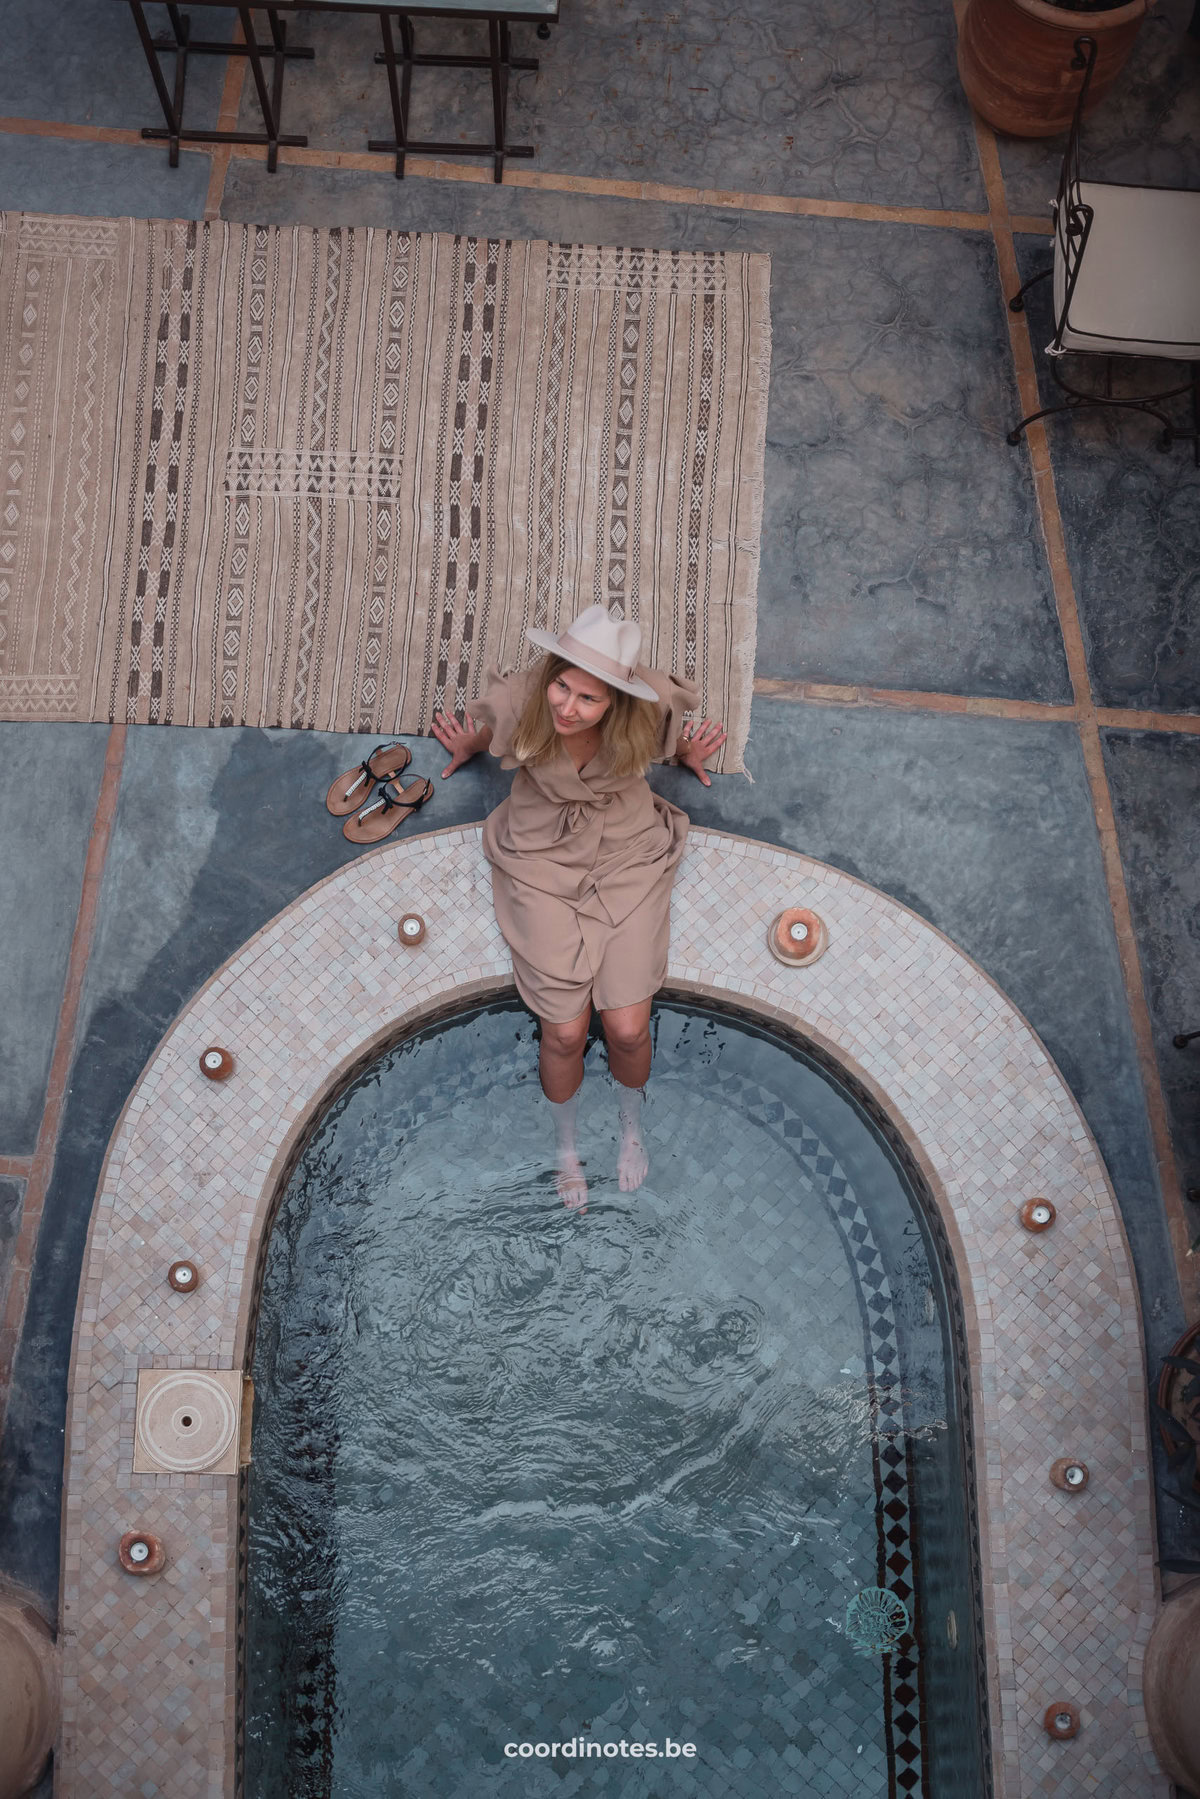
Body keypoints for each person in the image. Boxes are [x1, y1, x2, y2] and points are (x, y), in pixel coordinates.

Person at [431, 605, 726, 1212]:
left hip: (626, 853)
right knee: (564, 1032)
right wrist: (471, 742)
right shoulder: (526, 701)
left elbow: (668, 724)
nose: (567, 706)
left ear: (614, 705)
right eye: (562, 685)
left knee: (627, 1026)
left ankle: (629, 1127)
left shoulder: (644, 709)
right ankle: (565, 1146)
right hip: (541, 855)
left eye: (588, 700)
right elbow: (496, 728)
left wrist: (686, 756)